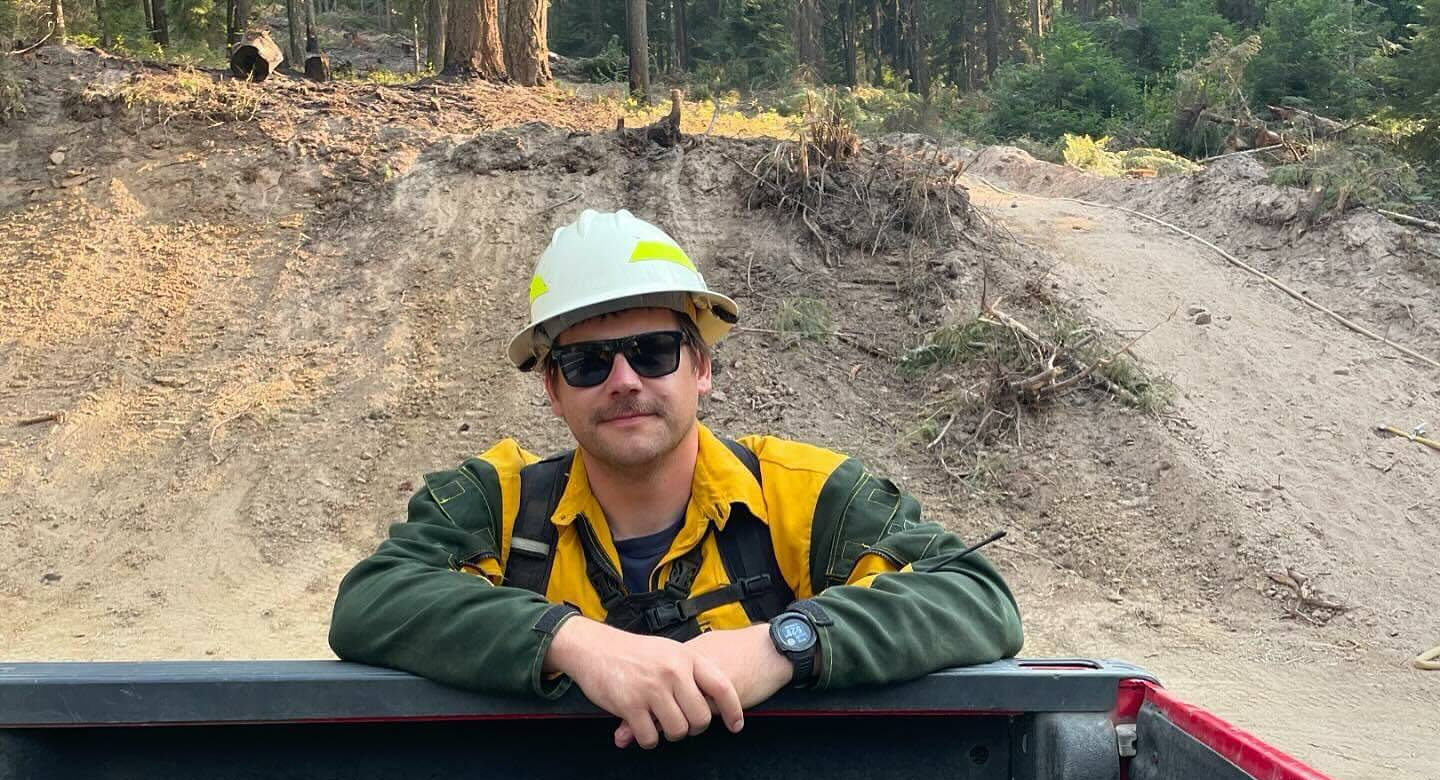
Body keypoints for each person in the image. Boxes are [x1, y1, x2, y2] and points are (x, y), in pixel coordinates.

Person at [330, 209, 1023, 749]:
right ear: (553, 389)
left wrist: (785, 642)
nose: (625, 381)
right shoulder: (496, 506)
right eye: (588, 363)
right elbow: (375, 601)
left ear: (701, 367)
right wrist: (572, 641)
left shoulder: (805, 499)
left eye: (653, 351)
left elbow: (974, 598)